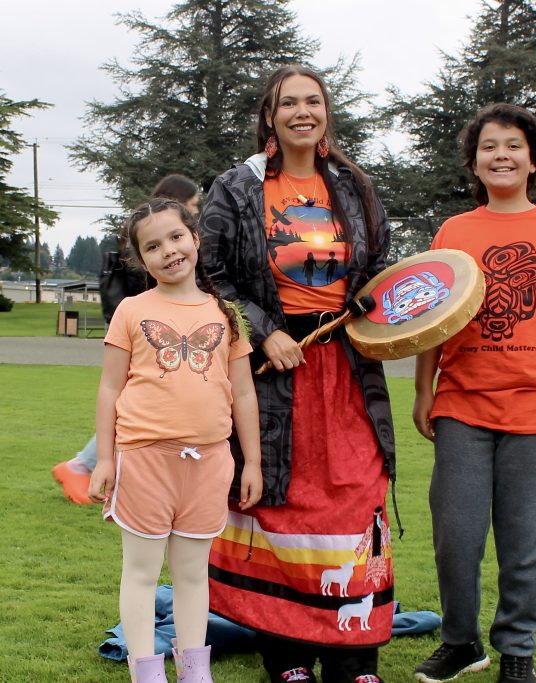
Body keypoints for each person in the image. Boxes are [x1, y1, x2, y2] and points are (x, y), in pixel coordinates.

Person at [198, 65, 395, 683]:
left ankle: (355, 655)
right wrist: (263, 329)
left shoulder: (355, 186)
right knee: (283, 505)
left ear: (326, 113)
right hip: (274, 373)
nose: (302, 112)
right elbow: (210, 275)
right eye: (289, 103)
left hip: (348, 368)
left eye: (313, 101)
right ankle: (287, 657)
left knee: (357, 497)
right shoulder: (236, 187)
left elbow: (380, 265)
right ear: (270, 116)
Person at [411, 103, 536, 683]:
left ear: (532, 160)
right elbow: (434, 315)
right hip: (463, 408)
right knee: (456, 536)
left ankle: (517, 651)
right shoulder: (455, 232)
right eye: (489, 146)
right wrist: (425, 388)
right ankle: (460, 641)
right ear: (474, 163)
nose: (502, 155)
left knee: (525, 542)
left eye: (513, 146)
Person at [87, 198, 263, 682]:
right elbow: (110, 388)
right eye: (152, 245)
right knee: (141, 574)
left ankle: (194, 671)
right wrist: (104, 459)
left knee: (192, 576)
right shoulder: (132, 310)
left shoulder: (226, 313)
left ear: (195, 238)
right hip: (144, 461)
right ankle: (145, 671)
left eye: (175, 237)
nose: (168, 250)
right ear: (140, 260)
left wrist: (251, 463)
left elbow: (244, 393)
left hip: (209, 464)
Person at [52, 174, 201, 504]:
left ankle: (83, 464)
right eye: (192, 205)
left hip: (149, 336)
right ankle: (82, 465)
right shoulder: (146, 243)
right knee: (131, 403)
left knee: (132, 403)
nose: (196, 211)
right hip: (144, 337)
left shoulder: (142, 235)